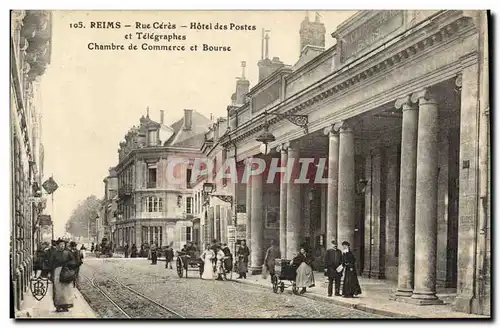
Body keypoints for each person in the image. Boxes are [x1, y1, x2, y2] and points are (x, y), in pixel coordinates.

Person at [49, 239, 78, 312]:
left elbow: (73, 261)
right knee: (58, 290)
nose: (62, 246)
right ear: (57, 245)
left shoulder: (67, 253)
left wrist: (68, 265)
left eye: (63, 245)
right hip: (57, 273)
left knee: (66, 290)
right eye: (61, 245)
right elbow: (51, 263)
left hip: (65, 272)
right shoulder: (54, 253)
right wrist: (50, 273)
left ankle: (65, 305)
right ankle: (58, 306)